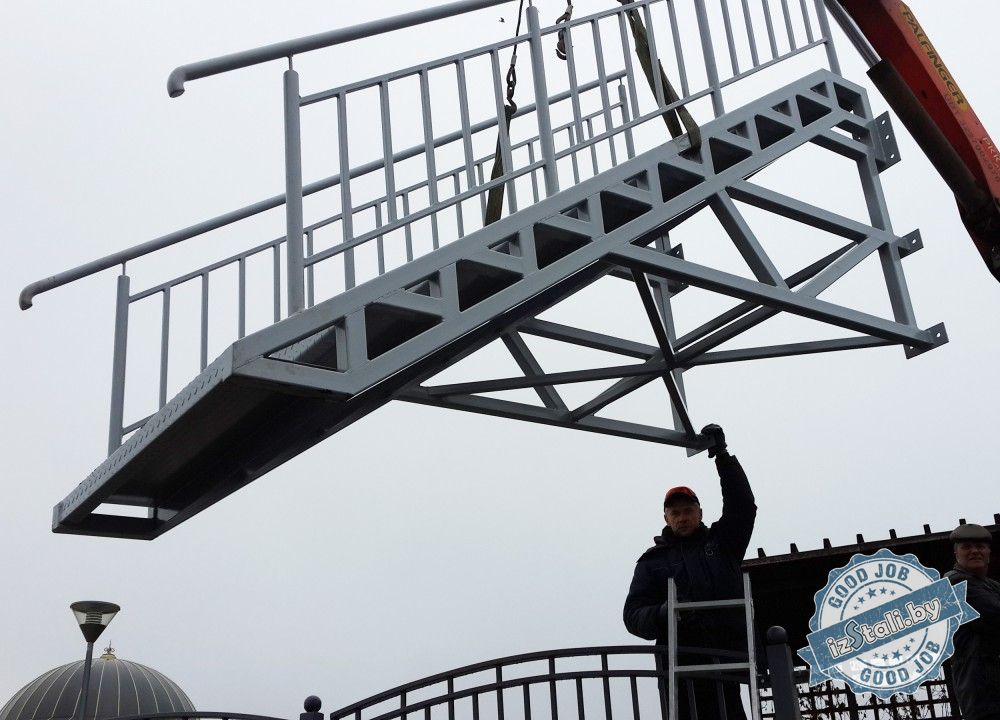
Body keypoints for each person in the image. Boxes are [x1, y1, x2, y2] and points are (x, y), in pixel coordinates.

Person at [623, 424, 756, 720]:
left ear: (700, 513)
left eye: (688, 511)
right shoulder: (651, 562)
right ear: (666, 518)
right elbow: (632, 615)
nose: (682, 517)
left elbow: (743, 506)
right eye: (675, 513)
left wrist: (722, 456)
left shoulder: (723, 544)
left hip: (726, 660)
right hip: (678, 668)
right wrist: (664, 613)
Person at [945, 523, 1000, 720]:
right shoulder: (957, 584)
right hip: (985, 698)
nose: (975, 551)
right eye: (967, 547)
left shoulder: (991, 585)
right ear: (956, 553)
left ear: (988, 553)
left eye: (980, 547)